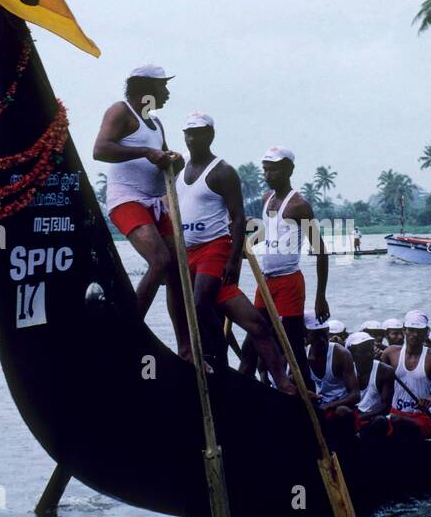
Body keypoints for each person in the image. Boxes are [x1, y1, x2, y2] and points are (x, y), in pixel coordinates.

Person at [174, 112, 293, 390]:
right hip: (187, 252)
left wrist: (233, 261)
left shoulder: (223, 171)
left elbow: (238, 218)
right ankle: (278, 379)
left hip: (214, 249)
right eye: (188, 133)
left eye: (199, 133)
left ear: (210, 135)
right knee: (255, 324)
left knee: (200, 303)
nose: (192, 139)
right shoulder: (179, 170)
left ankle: (215, 360)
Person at [93, 64, 189, 358]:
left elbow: (166, 162)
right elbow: (100, 149)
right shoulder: (120, 111)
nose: (168, 94)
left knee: (178, 272)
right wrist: (146, 152)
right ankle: (128, 330)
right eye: (164, 87)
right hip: (127, 200)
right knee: (160, 261)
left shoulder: (156, 124)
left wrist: (174, 160)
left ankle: (187, 349)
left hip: (155, 203)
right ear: (146, 88)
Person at [241, 145, 329, 373]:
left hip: (290, 283)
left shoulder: (299, 206)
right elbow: (269, 231)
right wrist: (249, 244)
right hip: (265, 283)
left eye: (274, 170)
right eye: (266, 170)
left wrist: (321, 297)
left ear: (289, 170)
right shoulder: (266, 198)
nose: (269, 175)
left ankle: (307, 395)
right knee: (251, 344)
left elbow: (321, 251)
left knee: (294, 348)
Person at [383, 310, 431, 437]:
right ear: (405, 330)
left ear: (426, 333)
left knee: (396, 421)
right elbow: (380, 384)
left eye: (420, 331)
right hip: (394, 413)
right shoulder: (389, 353)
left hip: (420, 417)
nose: (415, 334)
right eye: (411, 330)